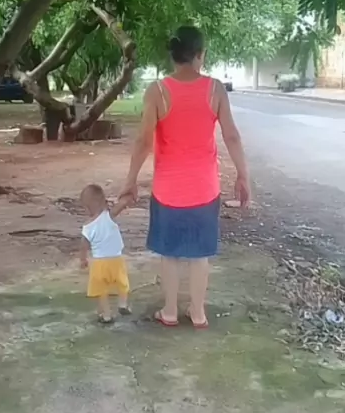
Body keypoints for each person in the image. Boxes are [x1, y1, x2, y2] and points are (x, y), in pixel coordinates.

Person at [120, 25, 250, 328]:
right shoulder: (215, 89)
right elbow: (231, 136)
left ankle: (169, 312)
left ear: (173, 55)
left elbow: (143, 141)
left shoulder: (157, 91)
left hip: (168, 191)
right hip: (205, 190)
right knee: (199, 255)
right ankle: (198, 312)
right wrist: (243, 176)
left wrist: (130, 180)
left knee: (169, 254)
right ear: (200, 55)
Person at [80, 184, 133, 324]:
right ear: (104, 202)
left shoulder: (87, 226)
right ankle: (122, 303)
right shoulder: (109, 215)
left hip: (99, 263)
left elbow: (84, 244)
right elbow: (122, 205)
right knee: (122, 282)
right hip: (116, 259)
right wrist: (128, 196)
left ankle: (107, 315)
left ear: (86, 208)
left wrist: (83, 259)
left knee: (101, 290)